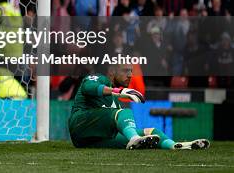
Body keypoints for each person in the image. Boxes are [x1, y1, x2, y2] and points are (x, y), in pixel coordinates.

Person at [68, 64, 210, 150]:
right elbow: (88, 87)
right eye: (125, 70)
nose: (130, 75)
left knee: (150, 132)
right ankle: (134, 139)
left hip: (93, 141)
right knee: (123, 113)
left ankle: (174, 146)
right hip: (80, 125)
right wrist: (118, 91)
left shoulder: (115, 103)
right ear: (111, 71)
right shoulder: (99, 78)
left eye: (131, 71)